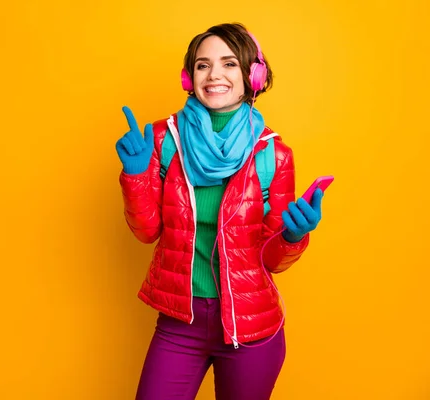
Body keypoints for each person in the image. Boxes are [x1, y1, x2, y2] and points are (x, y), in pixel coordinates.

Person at [115, 23, 326, 400]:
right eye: (202, 65)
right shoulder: (164, 140)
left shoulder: (274, 155)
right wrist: (135, 176)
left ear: (253, 76)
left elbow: (273, 260)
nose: (214, 74)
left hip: (251, 329)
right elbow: (147, 231)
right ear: (188, 77)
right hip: (180, 323)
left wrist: (294, 236)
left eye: (229, 64)